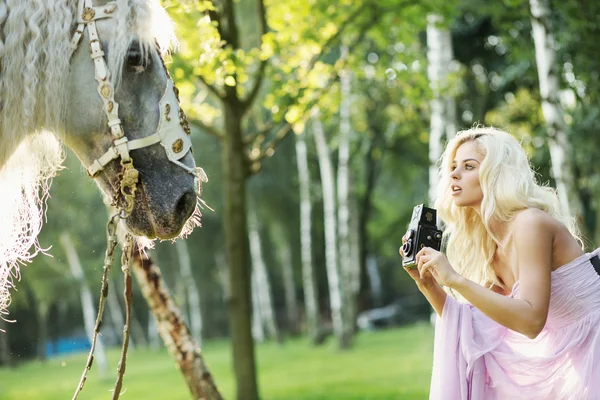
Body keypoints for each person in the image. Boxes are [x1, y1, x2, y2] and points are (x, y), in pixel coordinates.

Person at [400, 126, 600, 400]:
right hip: (582, 359)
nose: (454, 175)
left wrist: (455, 279)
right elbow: (474, 328)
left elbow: (531, 321)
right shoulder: (493, 249)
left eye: (469, 166)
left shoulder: (530, 223)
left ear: (496, 174)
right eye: (453, 167)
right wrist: (428, 284)